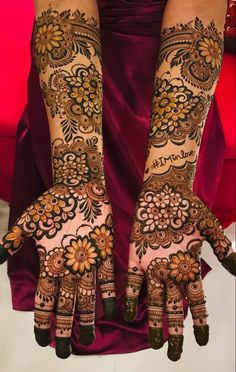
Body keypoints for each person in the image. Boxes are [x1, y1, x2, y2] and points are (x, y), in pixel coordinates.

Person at [0, 0, 235, 361]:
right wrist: (78, 176)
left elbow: (199, 8)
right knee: (76, 229)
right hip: (69, 73)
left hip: (175, 79)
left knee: (159, 232)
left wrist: (169, 180)